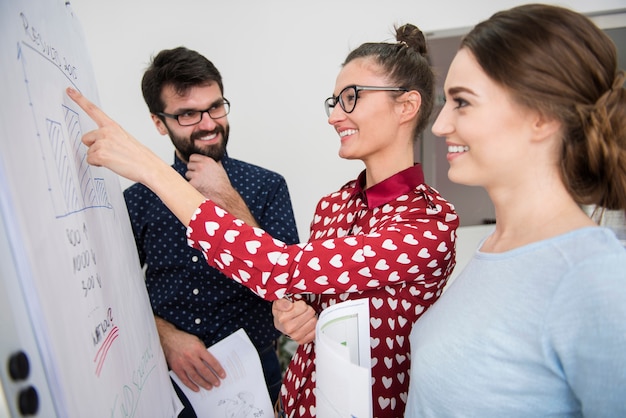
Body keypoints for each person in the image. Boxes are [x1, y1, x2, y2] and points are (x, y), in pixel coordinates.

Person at [67, 22, 459, 418]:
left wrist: (153, 170)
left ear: (406, 106)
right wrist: (296, 313)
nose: (334, 116)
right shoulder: (334, 205)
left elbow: (277, 268)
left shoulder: (427, 222)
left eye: (351, 98)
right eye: (335, 101)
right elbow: (302, 297)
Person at [405, 4, 626, 417]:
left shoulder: (592, 276)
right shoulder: (496, 249)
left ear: (540, 116)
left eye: (463, 102)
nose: (439, 126)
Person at [123, 46, 300, 416]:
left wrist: (228, 198)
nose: (208, 123)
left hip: (257, 375)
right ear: (159, 122)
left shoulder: (267, 186)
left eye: (215, 107)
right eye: (188, 113)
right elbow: (118, 290)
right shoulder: (138, 198)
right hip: (167, 377)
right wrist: (165, 336)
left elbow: (289, 287)